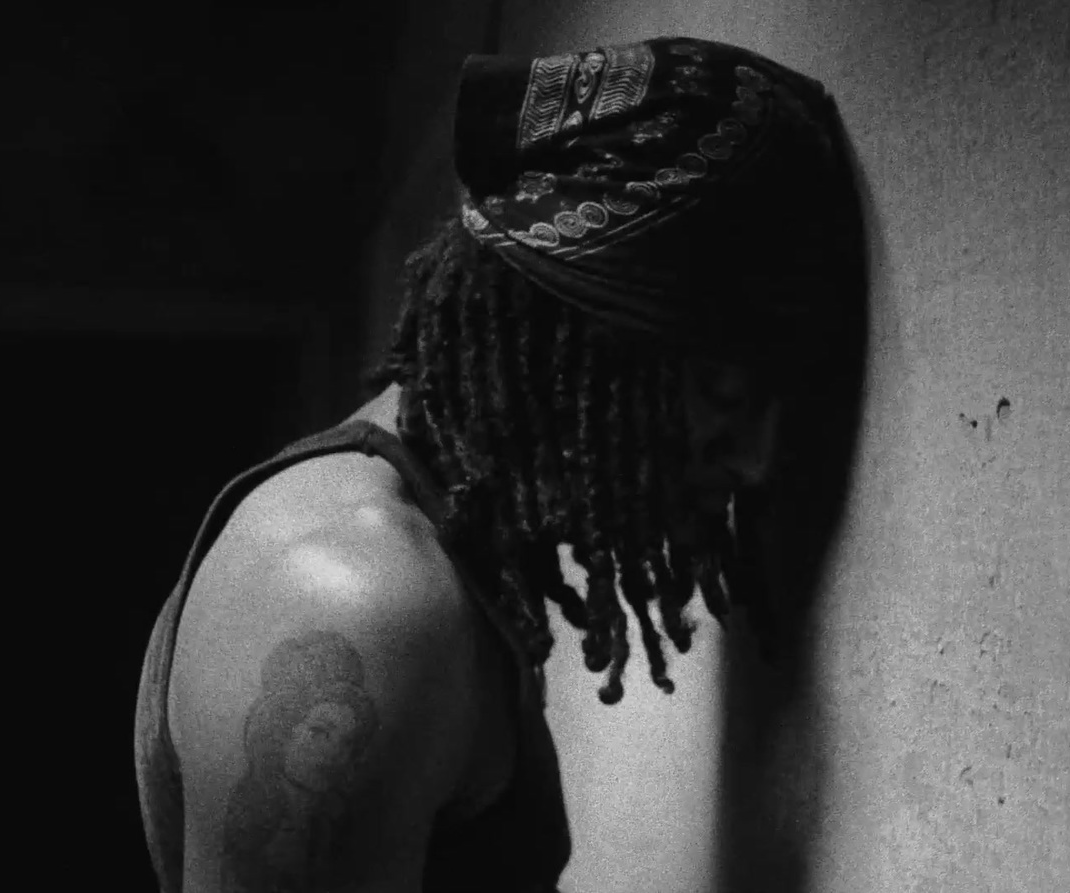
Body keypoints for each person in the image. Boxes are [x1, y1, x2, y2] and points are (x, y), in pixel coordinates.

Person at [134, 34, 865, 893]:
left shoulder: (445, 547)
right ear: (581, 351)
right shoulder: (357, 601)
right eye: (726, 394)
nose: (757, 458)